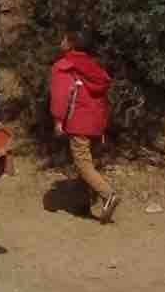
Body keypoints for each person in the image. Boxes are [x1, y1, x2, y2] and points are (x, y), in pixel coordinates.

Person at [50, 28, 120, 221]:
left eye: (63, 37)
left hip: (78, 121)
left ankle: (108, 195)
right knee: (85, 163)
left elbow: (60, 97)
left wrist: (58, 121)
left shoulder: (64, 66)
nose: (60, 41)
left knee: (82, 163)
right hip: (96, 122)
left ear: (70, 44)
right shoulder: (92, 66)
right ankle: (82, 203)